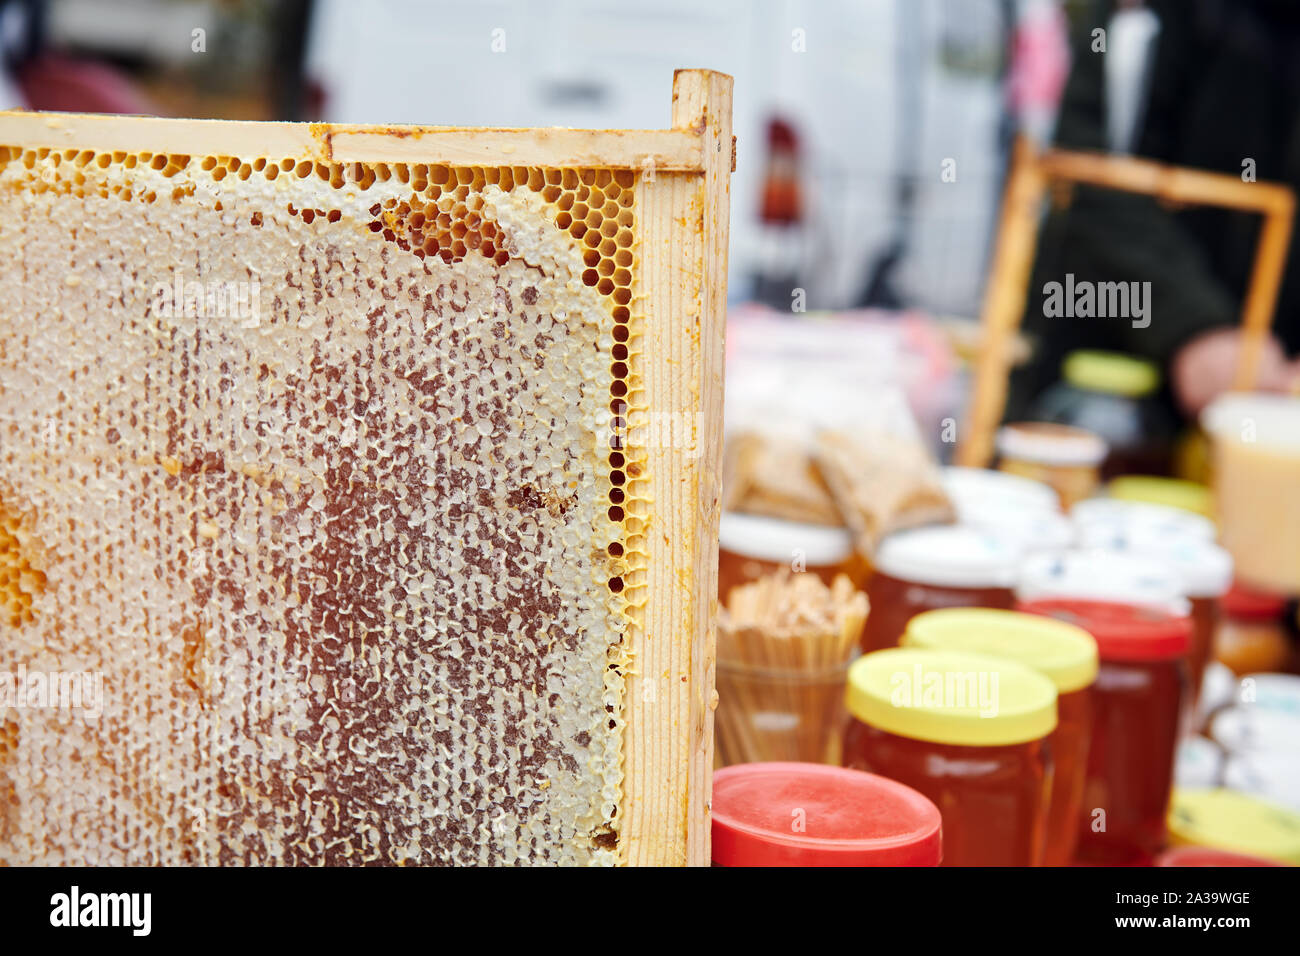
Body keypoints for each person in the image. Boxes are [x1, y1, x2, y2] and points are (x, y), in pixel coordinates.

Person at [1006, 0, 1300, 424]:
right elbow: (1088, 170)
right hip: (1110, 373)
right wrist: (1193, 326)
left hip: (1271, 415)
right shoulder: (1143, 19)